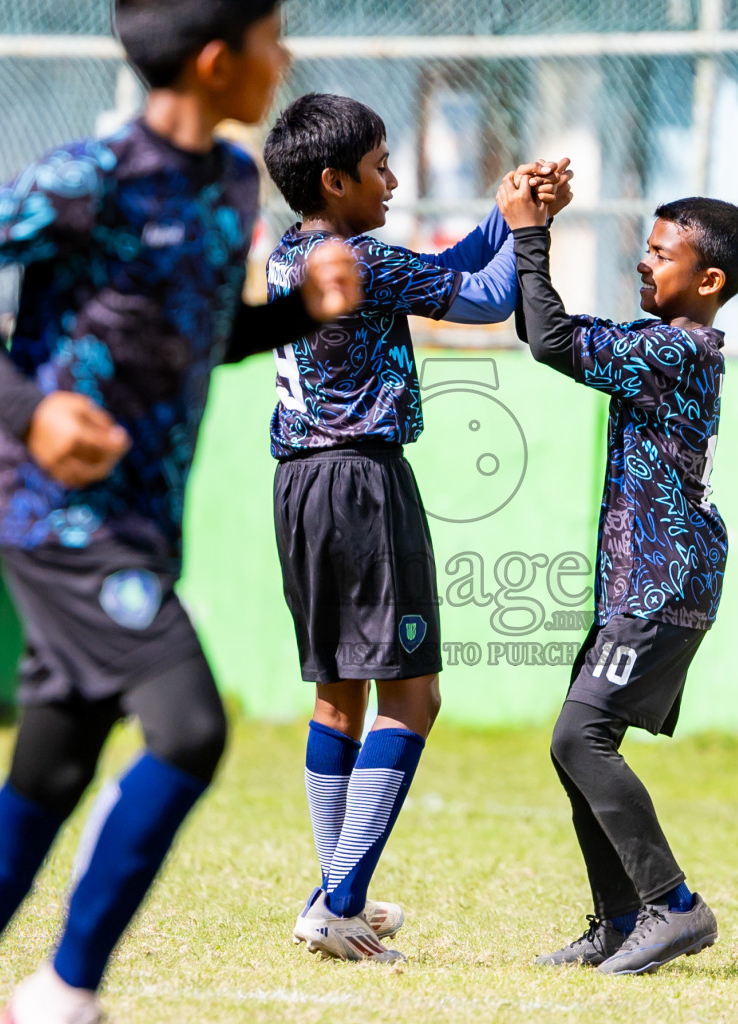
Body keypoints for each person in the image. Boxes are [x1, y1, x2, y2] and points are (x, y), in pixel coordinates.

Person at [0, 3, 360, 1022]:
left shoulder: (226, 186)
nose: (287, 56)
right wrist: (26, 409)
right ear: (218, 63)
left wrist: (298, 314)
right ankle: (65, 991)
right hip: (62, 517)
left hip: (140, 526)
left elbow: (192, 340)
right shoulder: (91, 175)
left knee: (49, 776)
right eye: (274, 39)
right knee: (186, 728)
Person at [260, 92, 570, 962]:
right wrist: (528, 230)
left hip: (300, 485)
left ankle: (340, 900)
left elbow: (442, 264)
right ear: (335, 179)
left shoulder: (296, 252)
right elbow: (480, 300)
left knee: (339, 690)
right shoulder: (361, 260)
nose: (394, 180)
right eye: (381, 167)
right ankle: (338, 901)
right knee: (414, 694)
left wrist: (502, 216)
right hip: (363, 483)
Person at [498, 176, 738, 975]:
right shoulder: (660, 348)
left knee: (582, 738)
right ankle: (618, 922)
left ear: (709, 280)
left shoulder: (674, 350)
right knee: (575, 743)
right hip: (640, 581)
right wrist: (526, 236)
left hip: (661, 583)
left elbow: (548, 341)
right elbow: (546, 327)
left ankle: (673, 906)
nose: (644, 264)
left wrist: (530, 233)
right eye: (646, 249)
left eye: (661, 254)